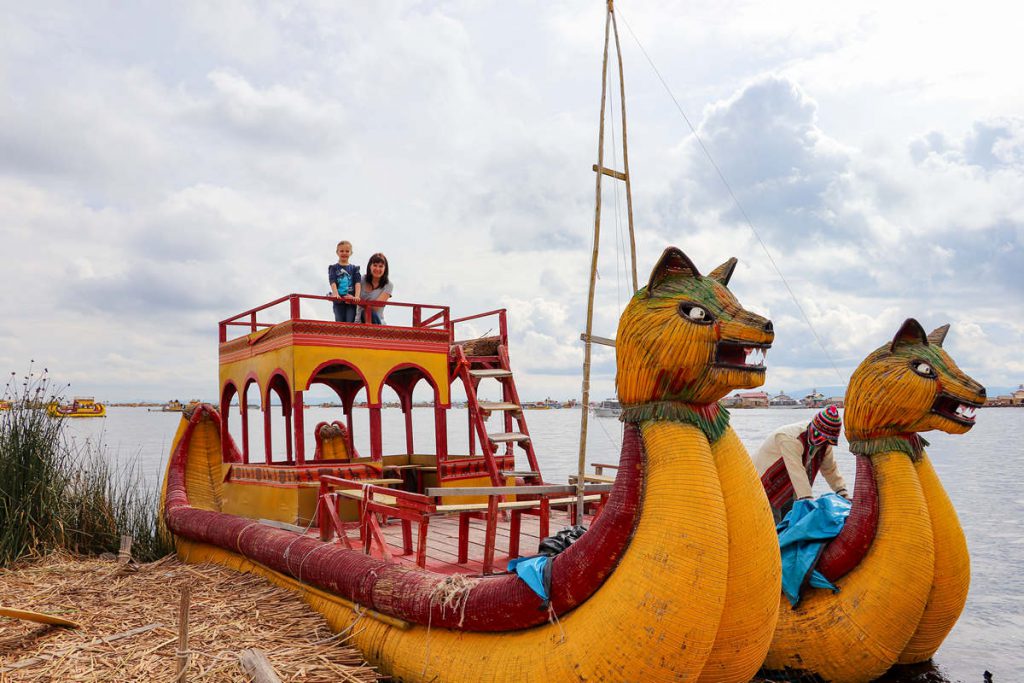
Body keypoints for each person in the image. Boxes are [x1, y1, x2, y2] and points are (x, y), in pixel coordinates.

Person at [755, 405, 850, 523]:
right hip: (765, 484)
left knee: (790, 523)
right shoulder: (789, 437)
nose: (823, 443)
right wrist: (808, 501)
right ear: (814, 429)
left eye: (828, 440)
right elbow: (797, 471)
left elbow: (830, 469)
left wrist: (843, 493)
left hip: (789, 488)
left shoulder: (824, 445)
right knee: (772, 526)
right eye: (821, 438)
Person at [328, 241, 361, 322]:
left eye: (347, 251)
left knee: (350, 321)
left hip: (351, 300)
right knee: (339, 321)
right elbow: (332, 281)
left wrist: (357, 296)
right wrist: (335, 293)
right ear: (337, 252)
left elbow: (357, 283)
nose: (344, 253)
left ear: (351, 253)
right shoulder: (334, 268)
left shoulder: (354, 268)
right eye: (341, 251)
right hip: (338, 300)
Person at [356, 252, 393, 324]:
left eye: (381, 266)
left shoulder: (388, 285)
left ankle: (378, 333)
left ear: (385, 269)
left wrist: (357, 301)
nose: (377, 268)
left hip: (378, 321)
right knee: (364, 312)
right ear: (370, 266)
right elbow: (350, 295)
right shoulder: (361, 280)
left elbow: (376, 307)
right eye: (375, 265)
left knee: (370, 312)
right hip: (360, 321)